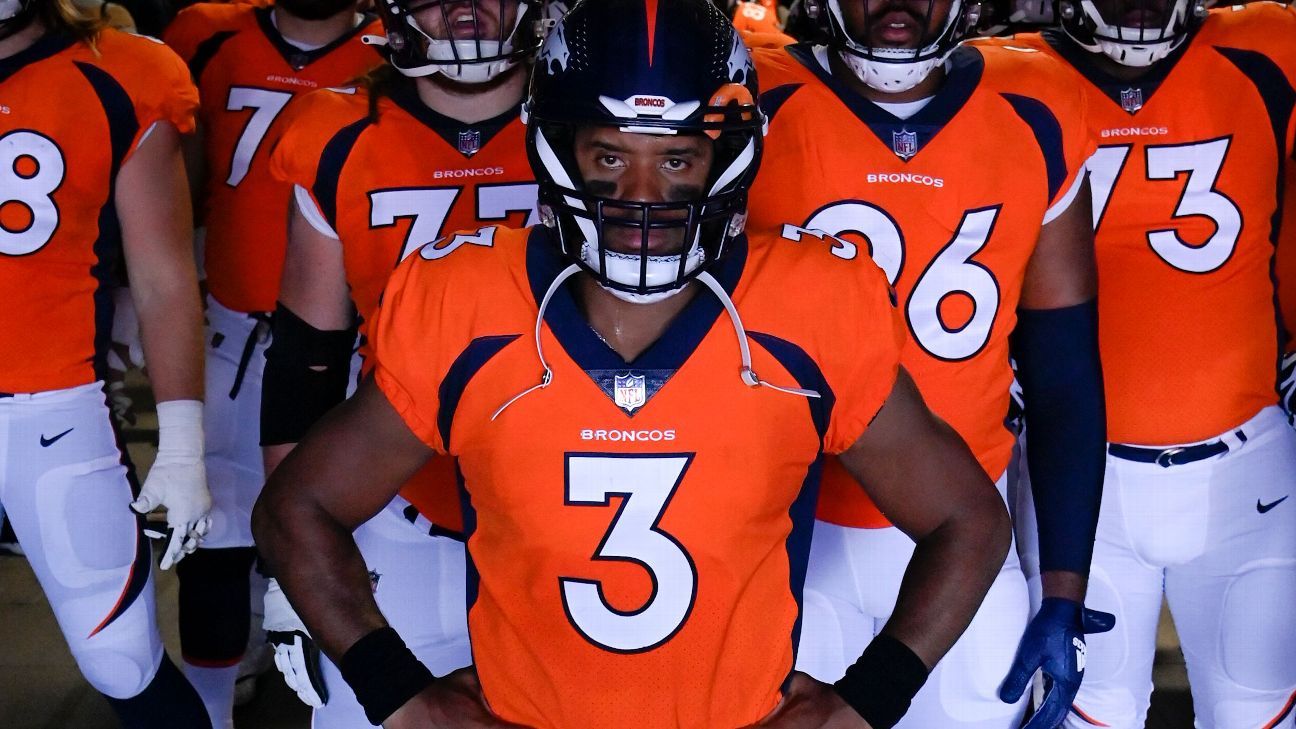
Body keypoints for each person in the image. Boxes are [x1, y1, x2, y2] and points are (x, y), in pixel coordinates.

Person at [253, 1, 1013, 727]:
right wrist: (401, 696)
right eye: (610, 154)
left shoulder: (814, 303)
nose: (641, 198)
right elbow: (297, 506)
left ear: (727, 156)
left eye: (677, 157)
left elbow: (969, 519)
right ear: (558, 150)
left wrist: (866, 703)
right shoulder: (464, 299)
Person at [745, 2, 1113, 728]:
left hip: (968, 549)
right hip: (788, 537)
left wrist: (1063, 591)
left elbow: (1063, 371)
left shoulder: (1036, 105)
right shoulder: (755, 95)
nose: (897, 6)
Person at [988, 2, 1296, 727]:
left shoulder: (1268, 48)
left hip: (1249, 470)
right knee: (1082, 711)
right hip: (1078, 485)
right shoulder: (1008, 79)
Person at [257, 0, 542, 725]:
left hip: (563, 514)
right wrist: (294, 571)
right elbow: (304, 363)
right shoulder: (338, 131)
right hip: (397, 505)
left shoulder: (592, 125)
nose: (466, 8)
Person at [160, 2, 380, 724]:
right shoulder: (206, 34)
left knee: (372, 533)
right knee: (215, 532)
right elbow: (173, 174)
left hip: (369, 344)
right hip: (238, 328)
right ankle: (213, 703)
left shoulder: (402, 43)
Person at [0, 0, 212, 727]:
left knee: (121, 660)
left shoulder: (120, 70)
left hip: (48, 409)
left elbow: (164, 276)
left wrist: (181, 442)